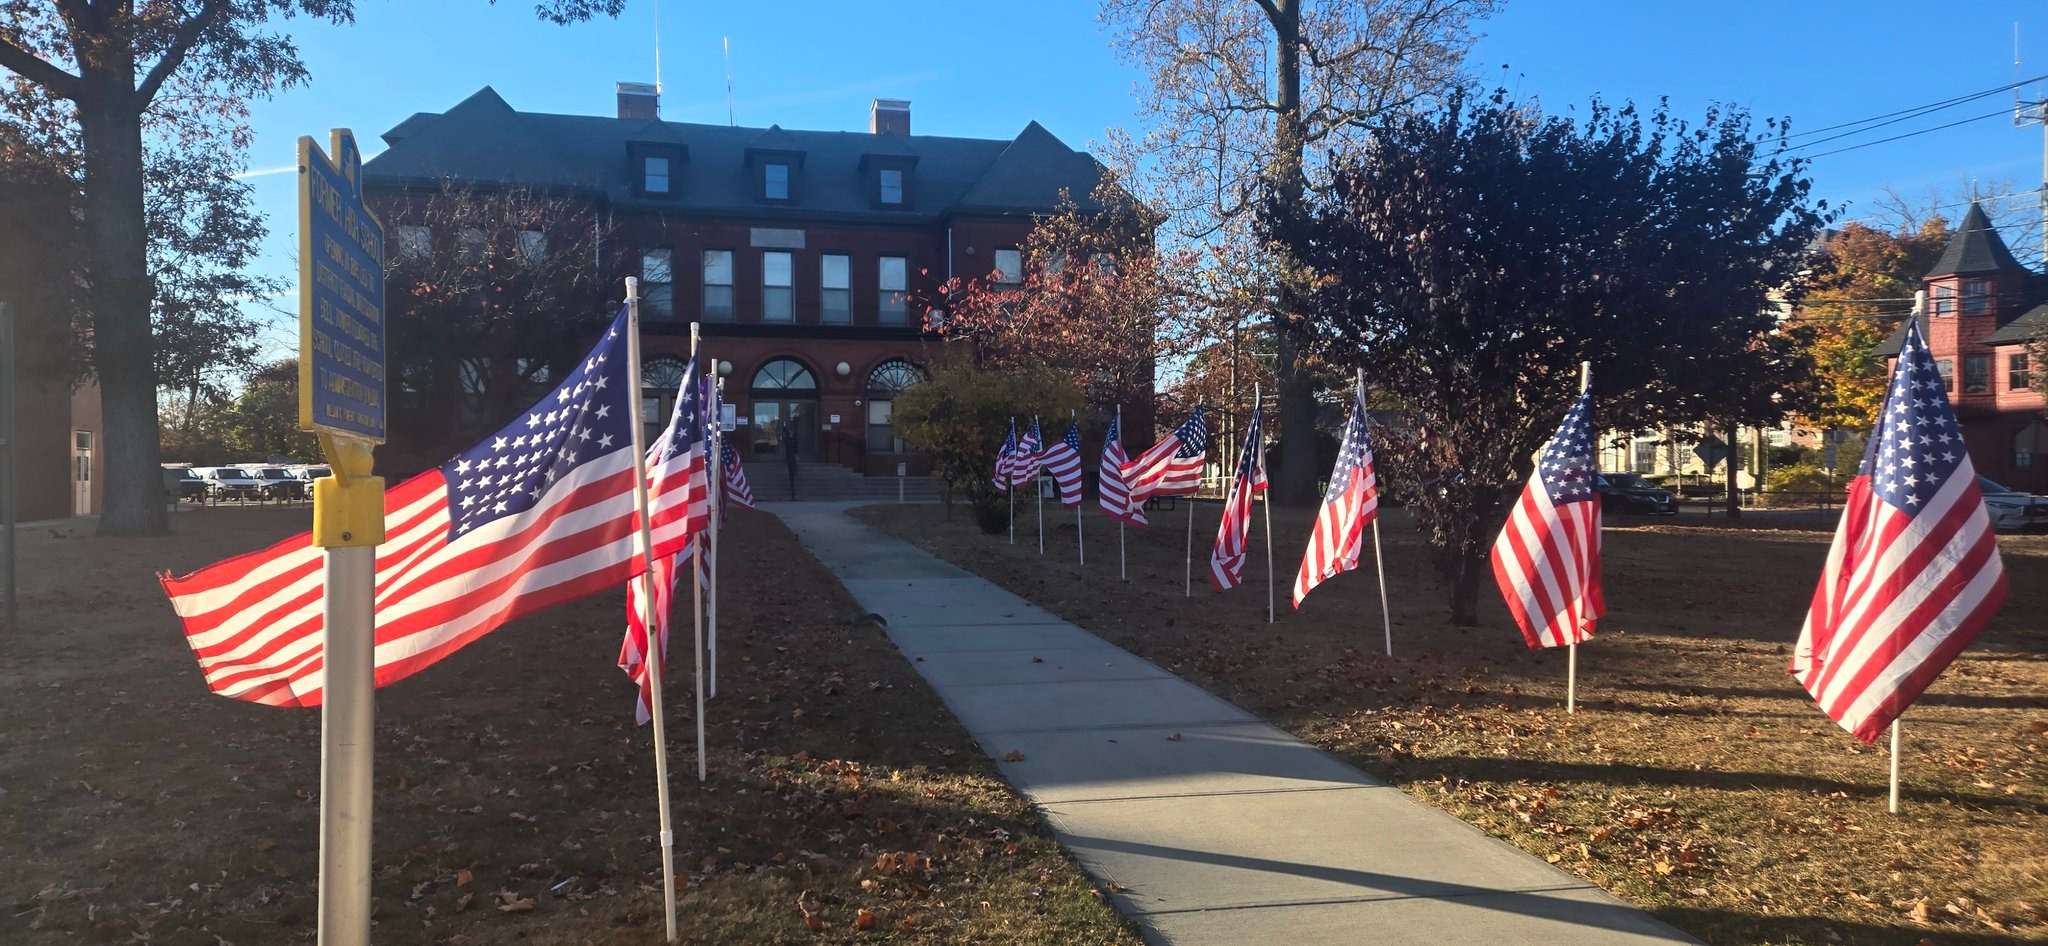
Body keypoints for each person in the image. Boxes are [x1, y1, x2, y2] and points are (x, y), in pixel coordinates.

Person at [781, 418, 799, 499]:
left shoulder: (794, 440)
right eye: (790, 432)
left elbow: (796, 448)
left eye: (792, 432)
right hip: (789, 459)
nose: (791, 433)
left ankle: (793, 492)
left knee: (792, 469)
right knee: (791, 470)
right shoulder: (787, 439)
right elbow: (784, 435)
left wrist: (796, 455)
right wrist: (784, 426)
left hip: (792, 459)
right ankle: (793, 493)